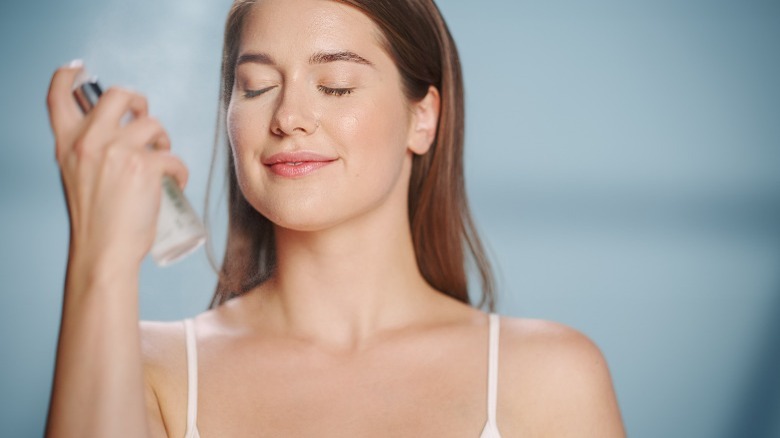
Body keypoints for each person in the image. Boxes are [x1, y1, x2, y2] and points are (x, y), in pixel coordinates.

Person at [45, 0, 625, 436]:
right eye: (257, 86)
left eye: (336, 86)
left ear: (423, 118)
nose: (289, 116)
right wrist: (101, 258)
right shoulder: (148, 370)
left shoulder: (550, 377)